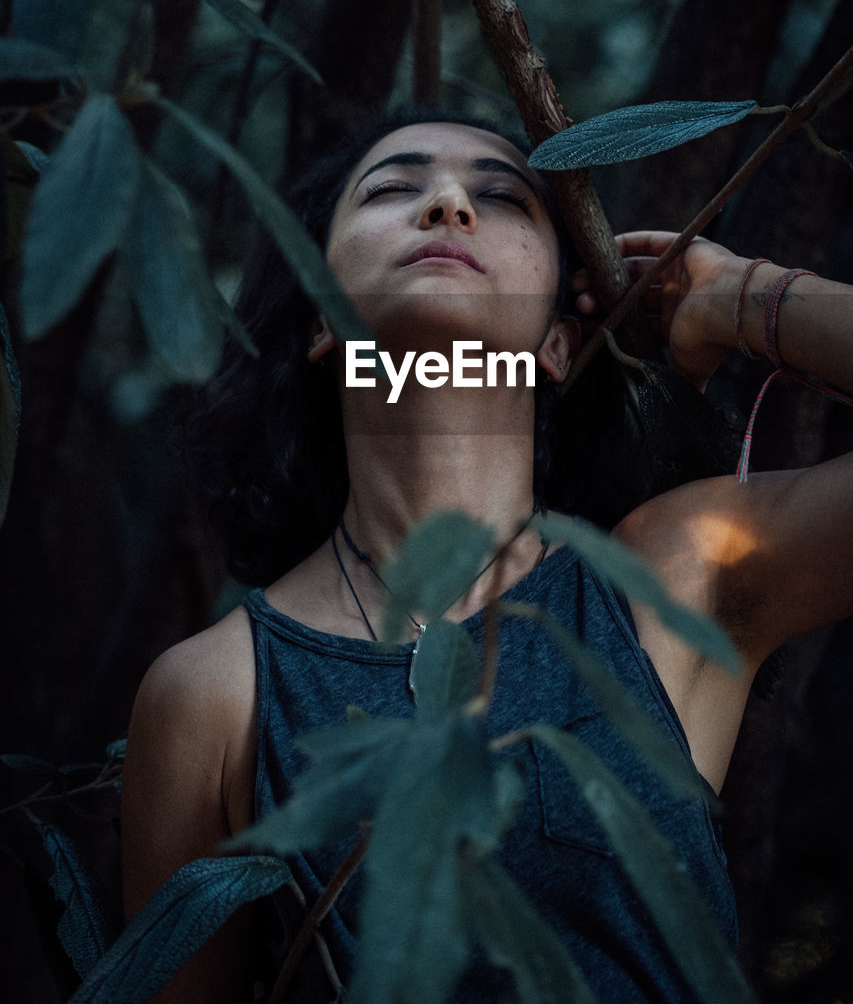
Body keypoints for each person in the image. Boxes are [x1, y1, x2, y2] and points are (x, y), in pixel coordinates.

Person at [120, 113, 853, 1003]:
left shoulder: (671, 580)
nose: (448, 203)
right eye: (394, 188)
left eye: (501, 198)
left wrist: (744, 297)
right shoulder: (216, 692)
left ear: (557, 340)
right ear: (322, 317)